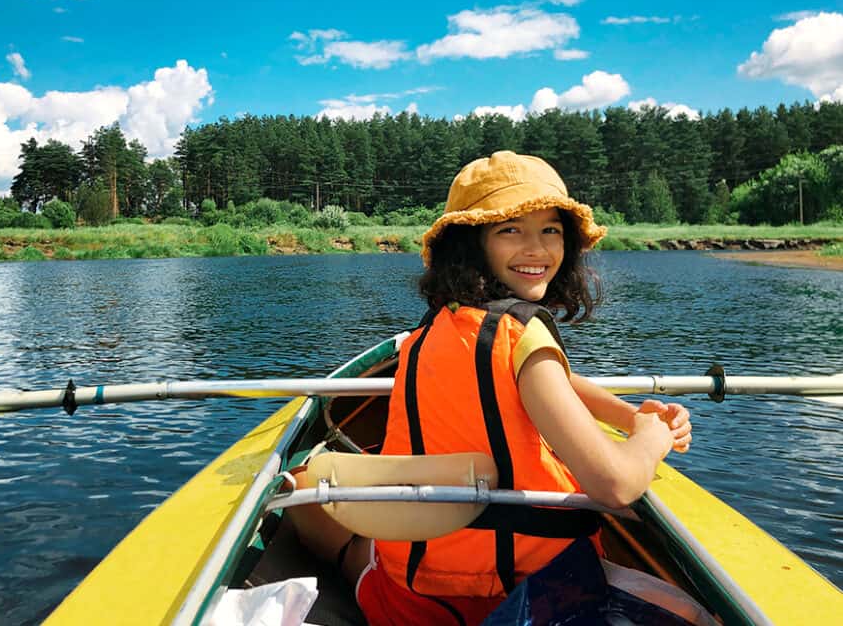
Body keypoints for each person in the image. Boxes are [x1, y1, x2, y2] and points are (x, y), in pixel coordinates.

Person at [288, 151, 692, 626]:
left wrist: (625, 415)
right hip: (533, 600)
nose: (537, 249)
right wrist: (651, 437)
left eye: (550, 230)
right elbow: (616, 485)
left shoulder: (434, 329)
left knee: (301, 486)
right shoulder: (524, 335)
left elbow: (544, 378)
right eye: (510, 230)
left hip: (411, 604)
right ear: (471, 243)